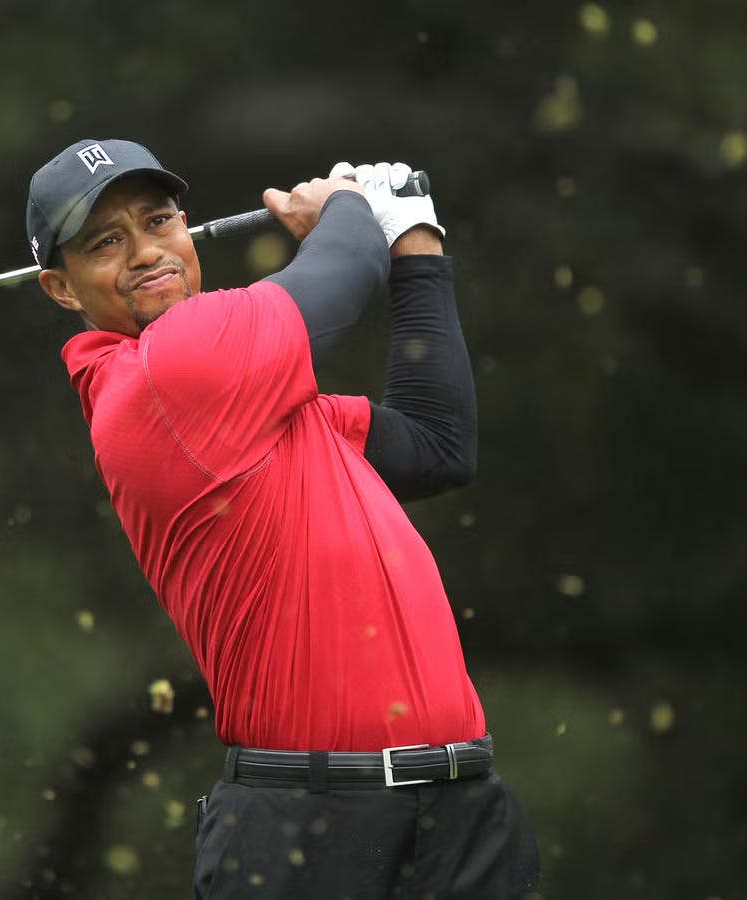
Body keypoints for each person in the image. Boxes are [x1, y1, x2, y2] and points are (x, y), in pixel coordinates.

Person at [27, 138, 539, 899]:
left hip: (462, 810)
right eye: (106, 242)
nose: (144, 252)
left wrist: (418, 246)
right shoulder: (166, 375)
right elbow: (340, 273)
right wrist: (345, 206)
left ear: (186, 228)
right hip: (309, 828)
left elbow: (438, 446)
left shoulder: (263, 411)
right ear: (61, 289)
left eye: (157, 221)